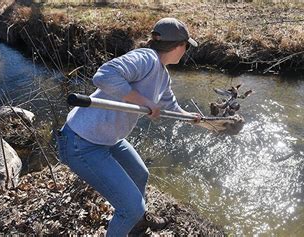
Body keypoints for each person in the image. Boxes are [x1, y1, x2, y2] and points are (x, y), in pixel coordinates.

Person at [56, 17, 200, 236]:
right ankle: (132, 217)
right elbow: (104, 76)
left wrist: (188, 116)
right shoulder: (145, 58)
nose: (186, 51)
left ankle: (135, 225)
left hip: (108, 139)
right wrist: (143, 102)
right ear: (178, 46)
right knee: (131, 207)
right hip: (80, 141)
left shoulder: (162, 74)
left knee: (139, 174)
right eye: (187, 46)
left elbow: (168, 104)